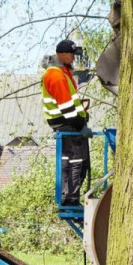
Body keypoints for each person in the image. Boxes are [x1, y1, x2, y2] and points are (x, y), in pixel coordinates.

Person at [41, 38, 91, 206]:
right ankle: (70, 198)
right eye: (71, 55)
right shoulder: (56, 75)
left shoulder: (62, 73)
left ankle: (69, 197)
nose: (74, 58)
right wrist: (81, 126)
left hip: (67, 123)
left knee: (72, 160)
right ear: (62, 55)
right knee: (76, 161)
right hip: (67, 124)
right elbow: (68, 108)